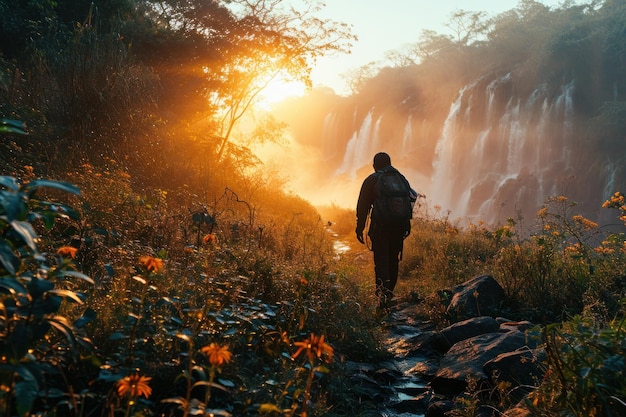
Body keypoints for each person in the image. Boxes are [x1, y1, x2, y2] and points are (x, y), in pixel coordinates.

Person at [355, 152, 413, 313]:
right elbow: (410, 200)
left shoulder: (372, 179)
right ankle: (389, 294)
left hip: (380, 227)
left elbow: (362, 205)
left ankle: (382, 298)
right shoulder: (401, 178)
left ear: (375, 165)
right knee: (393, 260)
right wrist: (407, 224)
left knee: (381, 261)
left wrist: (360, 228)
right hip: (399, 226)